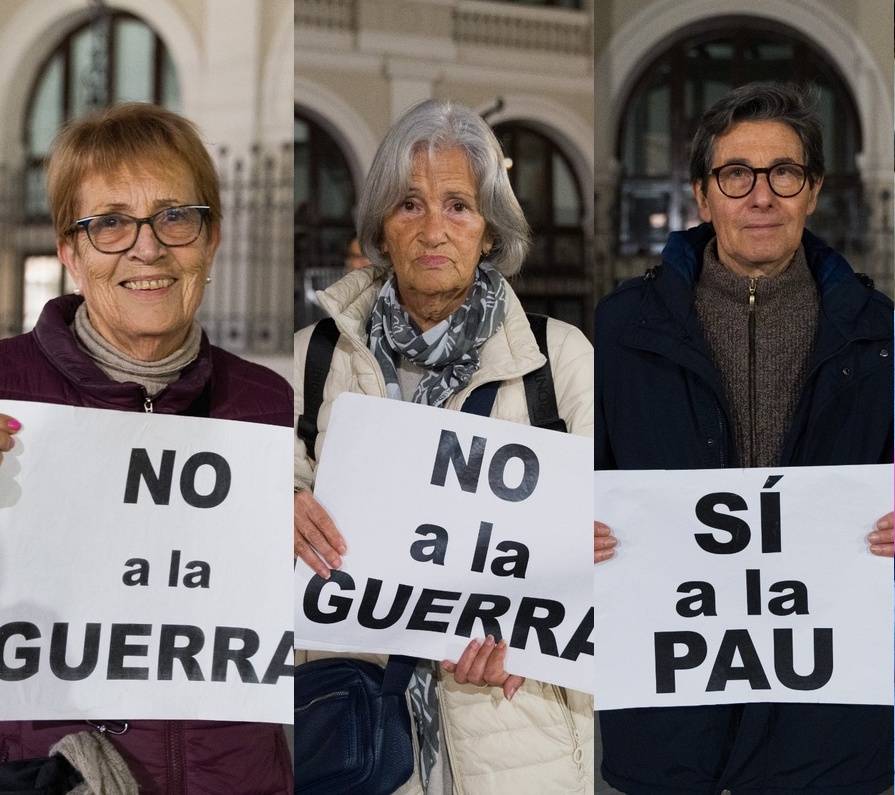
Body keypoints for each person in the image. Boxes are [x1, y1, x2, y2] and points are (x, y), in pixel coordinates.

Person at [594, 82, 894, 793]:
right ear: (702, 195)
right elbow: (571, 477)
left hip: (828, 729)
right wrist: (569, 524)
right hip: (671, 726)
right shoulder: (617, 331)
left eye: (782, 173)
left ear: (811, 191)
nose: (760, 195)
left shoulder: (881, 334)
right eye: (735, 174)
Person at [294, 99, 594, 794]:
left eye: (458, 205)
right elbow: (270, 491)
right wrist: (281, 501)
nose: (433, 229)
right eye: (408, 204)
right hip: (353, 727)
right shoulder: (313, 358)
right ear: (379, 226)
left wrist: (540, 631)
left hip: (518, 737)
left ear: (490, 228)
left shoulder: (561, 361)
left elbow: (612, 543)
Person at [0, 103, 294, 794]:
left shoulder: (271, 406)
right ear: (70, 251)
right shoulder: (5, 392)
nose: (147, 247)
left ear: (211, 238)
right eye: (109, 223)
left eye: (174, 216)